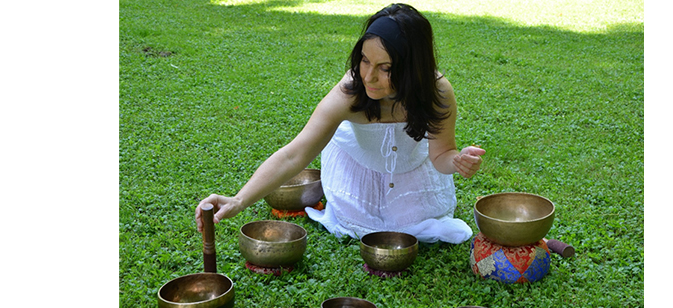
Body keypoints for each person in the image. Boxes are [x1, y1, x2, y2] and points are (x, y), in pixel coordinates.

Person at [195, 3, 485, 244]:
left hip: (413, 170)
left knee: (413, 225)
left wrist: (457, 160)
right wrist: (239, 200)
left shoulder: (438, 92)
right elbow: (294, 154)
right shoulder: (350, 93)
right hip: (359, 171)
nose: (369, 76)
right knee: (366, 227)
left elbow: (441, 156)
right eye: (364, 60)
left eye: (385, 68)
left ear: (413, 69)